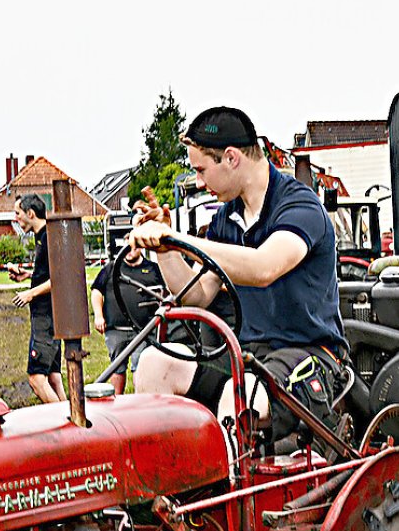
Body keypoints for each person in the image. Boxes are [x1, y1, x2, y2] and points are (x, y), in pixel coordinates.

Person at [129, 106, 348, 442]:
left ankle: (228, 492)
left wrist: (179, 239)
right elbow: (197, 295)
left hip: (309, 356)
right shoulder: (226, 220)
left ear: (231, 158)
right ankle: (169, 488)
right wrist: (165, 249)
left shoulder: (300, 207)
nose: (199, 182)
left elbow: (264, 268)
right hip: (247, 354)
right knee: (154, 363)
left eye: (201, 170)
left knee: (238, 396)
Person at [5, 195, 64, 403]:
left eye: (18, 214)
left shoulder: (49, 237)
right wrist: (27, 275)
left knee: (37, 379)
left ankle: (62, 424)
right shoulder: (41, 237)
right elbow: (48, 274)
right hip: (49, 316)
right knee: (54, 377)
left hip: (46, 317)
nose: (16, 219)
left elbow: (61, 278)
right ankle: (72, 420)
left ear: (31, 214)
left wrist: (30, 294)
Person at [91, 247, 163, 394]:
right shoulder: (111, 268)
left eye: (133, 247)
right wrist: (98, 315)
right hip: (116, 330)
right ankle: (116, 402)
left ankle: (140, 402)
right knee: (117, 367)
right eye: (126, 247)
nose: (129, 251)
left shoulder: (153, 269)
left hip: (144, 331)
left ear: (141, 248)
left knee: (141, 366)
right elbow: (96, 290)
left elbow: (165, 294)